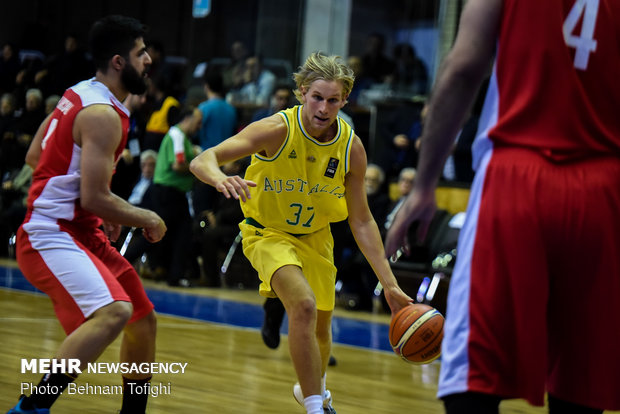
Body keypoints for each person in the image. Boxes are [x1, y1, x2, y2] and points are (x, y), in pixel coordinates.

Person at [384, 0, 620, 413]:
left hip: (517, 176)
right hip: (603, 186)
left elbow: (463, 68)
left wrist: (424, 185)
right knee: (580, 382)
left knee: (473, 374)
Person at [190, 51, 412, 414]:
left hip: (316, 238)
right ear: (302, 92)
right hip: (267, 234)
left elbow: (361, 220)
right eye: (317, 98)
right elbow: (203, 160)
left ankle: (311, 391)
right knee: (304, 307)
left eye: (333, 100)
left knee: (321, 329)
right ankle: (315, 407)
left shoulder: (350, 147)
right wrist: (220, 178)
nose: (324, 108)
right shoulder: (276, 129)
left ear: (345, 100)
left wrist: (388, 284)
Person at [8, 15, 167, 414]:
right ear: (118, 62)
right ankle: (30, 408)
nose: (148, 60)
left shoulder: (79, 93)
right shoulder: (102, 115)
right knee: (115, 312)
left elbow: (34, 156)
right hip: (51, 233)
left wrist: (97, 201)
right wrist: (145, 216)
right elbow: (93, 197)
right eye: (140, 53)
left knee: (142, 319)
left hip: (80, 230)